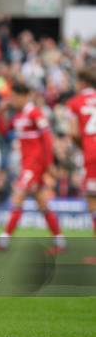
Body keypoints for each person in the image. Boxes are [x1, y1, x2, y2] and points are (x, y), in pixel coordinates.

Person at [0, 82, 65, 252]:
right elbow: (4, 132)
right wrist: (1, 112)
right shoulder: (18, 115)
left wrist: (49, 163)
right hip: (27, 164)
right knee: (42, 202)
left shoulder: (34, 112)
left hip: (35, 164)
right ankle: (60, 242)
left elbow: (47, 138)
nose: (12, 100)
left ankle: (3, 240)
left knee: (18, 196)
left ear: (24, 96)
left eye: (14, 96)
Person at [66, 67, 96, 235]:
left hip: (92, 155)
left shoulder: (75, 103)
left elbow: (73, 133)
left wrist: (84, 146)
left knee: (93, 200)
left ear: (83, 83)